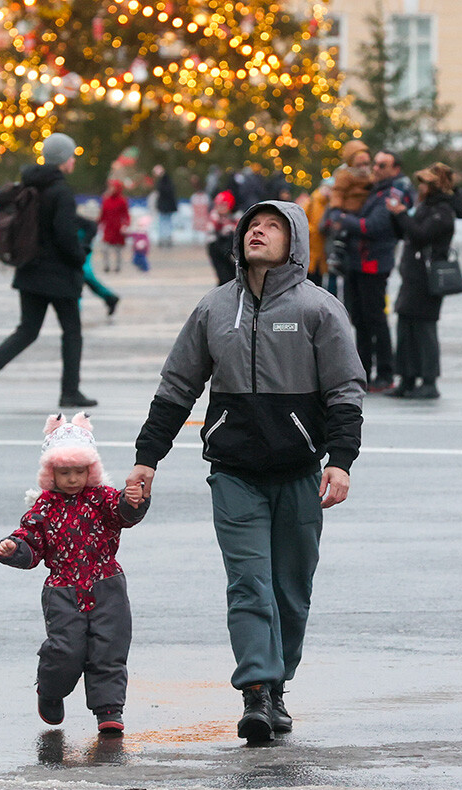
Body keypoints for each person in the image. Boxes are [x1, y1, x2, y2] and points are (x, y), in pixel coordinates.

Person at [126, 200, 365, 742]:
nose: (258, 231)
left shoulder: (319, 310)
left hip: (301, 474)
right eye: (252, 225)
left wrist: (341, 461)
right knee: (248, 583)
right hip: (233, 473)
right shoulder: (214, 309)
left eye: (272, 226)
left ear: (295, 242)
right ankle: (257, 693)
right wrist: (147, 457)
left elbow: (346, 391)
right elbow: (176, 387)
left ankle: (279, 685)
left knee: (291, 589)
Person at [0, 412, 149, 735]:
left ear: (90, 470)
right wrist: (14, 548)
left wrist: (133, 502)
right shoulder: (45, 506)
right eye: (64, 473)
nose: (72, 479)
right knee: (66, 650)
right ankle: (51, 690)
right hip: (63, 588)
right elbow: (31, 540)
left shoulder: (102, 498)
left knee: (110, 647)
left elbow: (123, 513)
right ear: (51, 473)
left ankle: (109, 709)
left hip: (106, 584)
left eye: (79, 472)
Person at [0, 133, 97, 409]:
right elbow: (64, 235)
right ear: (63, 160)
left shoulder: (33, 184)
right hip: (58, 274)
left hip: (30, 269)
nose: (73, 160)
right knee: (72, 331)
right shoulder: (60, 190)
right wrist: (81, 253)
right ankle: (70, 391)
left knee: (27, 330)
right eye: (72, 155)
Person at [328, 148, 407, 391]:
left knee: (375, 319)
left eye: (382, 165)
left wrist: (342, 219)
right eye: (375, 163)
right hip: (356, 263)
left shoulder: (391, 195)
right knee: (359, 320)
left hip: (373, 265)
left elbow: (372, 226)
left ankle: (385, 373)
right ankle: (363, 370)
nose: (375, 168)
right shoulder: (374, 191)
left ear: (395, 170)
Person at [386, 162, 458, 399]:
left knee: (425, 329)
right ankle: (406, 378)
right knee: (406, 325)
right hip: (414, 276)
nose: (421, 187)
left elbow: (420, 234)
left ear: (435, 186)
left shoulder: (443, 210)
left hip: (428, 279)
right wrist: (400, 216)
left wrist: (402, 214)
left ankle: (429, 381)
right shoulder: (426, 206)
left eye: (425, 182)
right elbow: (410, 232)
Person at [323, 140, 372, 275]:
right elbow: (337, 193)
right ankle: (336, 257)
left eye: (366, 164)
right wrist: (336, 209)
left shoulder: (370, 176)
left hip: (362, 211)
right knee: (341, 236)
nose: (363, 167)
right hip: (347, 210)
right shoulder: (345, 175)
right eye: (359, 164)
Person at [77, 215, 120, 316]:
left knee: (81, 274)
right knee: (85, 276)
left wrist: (85, 243)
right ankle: (109, 297)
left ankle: (74, 312)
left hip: (80, 246)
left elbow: (91, 225)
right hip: (77, 244)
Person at [206, 189, 240, 285]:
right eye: (218, 205)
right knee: (223, 276)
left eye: (223, 205)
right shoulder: (214, 217)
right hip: (216, 248)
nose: (220, 208)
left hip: (230, 249)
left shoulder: (236, 217)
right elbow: (211, 234)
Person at [98, 179, 131, 273]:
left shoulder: (122, 201)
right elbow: (103, 214)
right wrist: (97, 223)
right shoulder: (106, 199)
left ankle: (118, 266)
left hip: (118, 229)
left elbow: (126, 215)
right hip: (108, 228)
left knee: (118, 250)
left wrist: (125, 225)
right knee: (104, 248)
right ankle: (106, 265)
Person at [153, 165, 178, 247]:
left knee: (164, 222)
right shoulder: (167, 181)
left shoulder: (163, 182)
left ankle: (165, 238)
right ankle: (165, 238)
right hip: (166, 206)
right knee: (165, 222)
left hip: (165, 206)